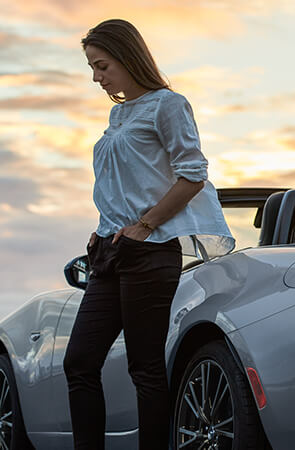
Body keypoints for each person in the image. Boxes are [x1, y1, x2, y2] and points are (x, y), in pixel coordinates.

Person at [62, 18, 235, 450]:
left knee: (145, 367)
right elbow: (125, 182)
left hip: (150, 251)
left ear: (127, 57)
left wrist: (145, 224)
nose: (97, 78)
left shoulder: (168, 105)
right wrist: (102, 228)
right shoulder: (118, 114)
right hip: (109, 249)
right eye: (92, 68)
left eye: (102, 66)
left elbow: (192, 174)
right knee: (79, 361)